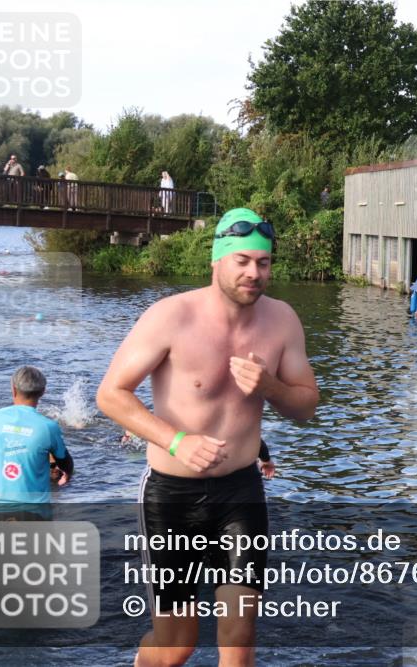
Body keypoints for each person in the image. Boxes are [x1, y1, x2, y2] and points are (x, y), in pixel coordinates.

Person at [96, 207, 318, 667]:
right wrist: (177, 441)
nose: (254, 273)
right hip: (171, 495)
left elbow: (306, 408)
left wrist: (270, 387)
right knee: (177, 647)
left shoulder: (282, 321)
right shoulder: (171, 316)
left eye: (263, 262)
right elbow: (111, 395)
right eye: (242, 261)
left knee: (239, 640)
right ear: (216, 260)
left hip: (241, 492)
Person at [0, 366, 73, 523]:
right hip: (36, 514)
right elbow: (64, 462)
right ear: (43, 391)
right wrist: (68, 473)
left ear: (13, 389)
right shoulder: (48, 427)